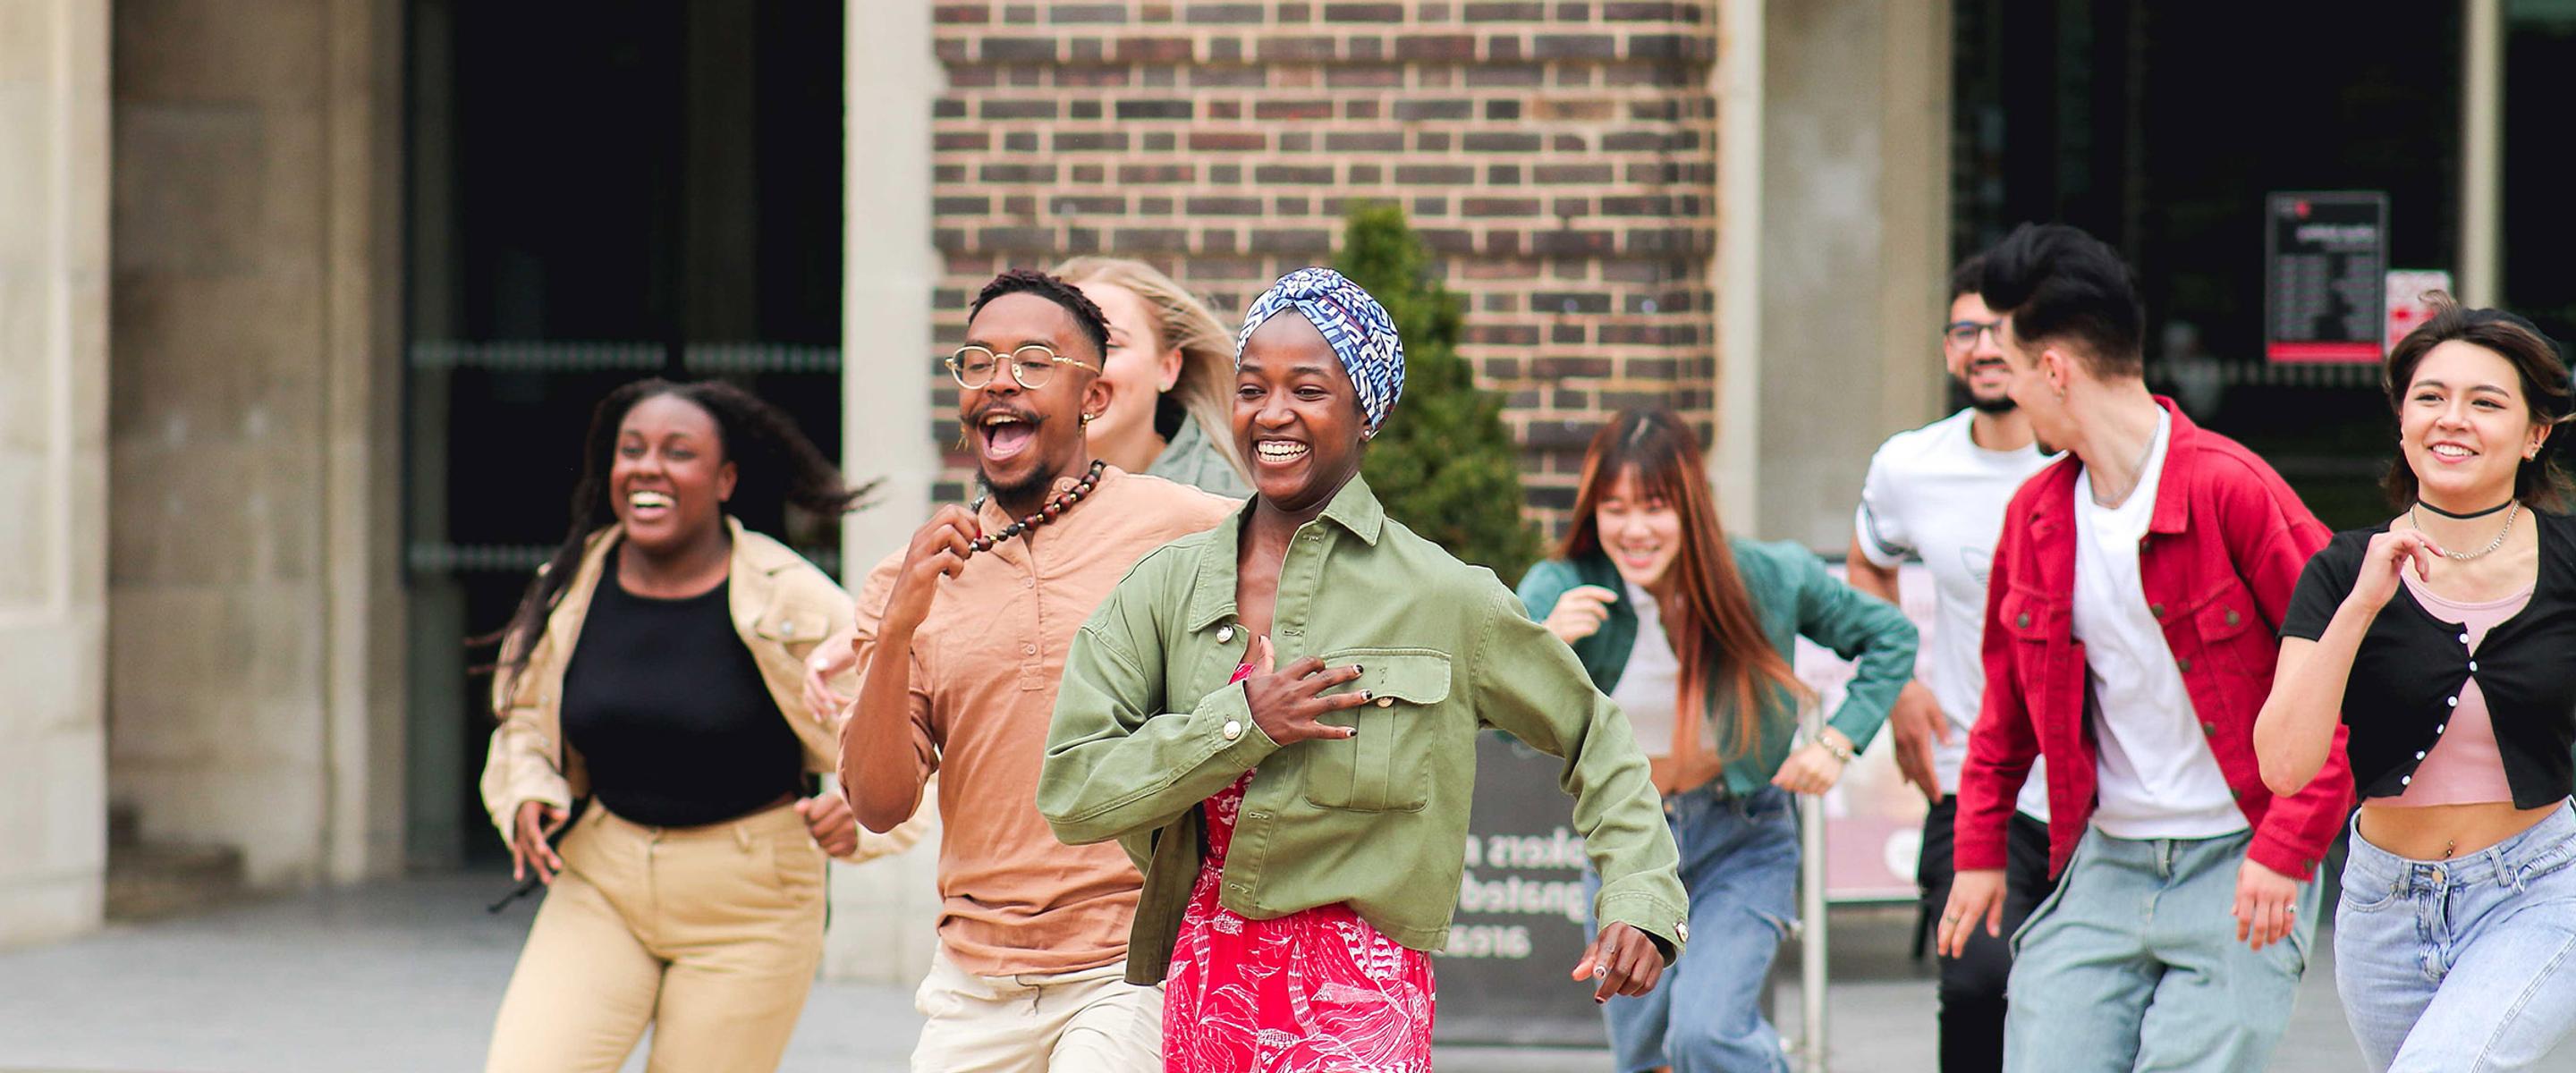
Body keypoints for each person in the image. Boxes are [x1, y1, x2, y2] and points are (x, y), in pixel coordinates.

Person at [1039, 267, 1690, 1072]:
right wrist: (1242, 722)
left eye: (1307, 389)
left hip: (1363, 1004)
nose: (1272, 413)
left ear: (1365, 412)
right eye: (1252, 388)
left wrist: (1641, 896)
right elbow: (1071, 790)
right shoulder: (1164, 588)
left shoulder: (1447, 599)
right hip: (1206, 988)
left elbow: (1596, 733)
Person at [1936, 224, 2351, 1073]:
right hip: (2104, 862)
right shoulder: (2036, 518)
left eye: (2012, 373)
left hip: (2239, 859)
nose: (2010, 396)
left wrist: (2288, 849)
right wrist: (1978, 855)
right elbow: (2003, 716)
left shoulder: (2232, 489)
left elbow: (2345, 681)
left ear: (2054, 371)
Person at [839, 268, 1239, 1072]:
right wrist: (897, 631)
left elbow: (1337, 578)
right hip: (973, 984)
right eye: (978, 362)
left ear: (1093, 398)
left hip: (1132, 965)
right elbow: (879, 805)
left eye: (1031, 361)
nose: (1000, 382)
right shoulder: (903, 582)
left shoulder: (1190, 526)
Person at [479, 379, 894, 1073]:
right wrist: (527, 787)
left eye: (679, 452)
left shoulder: (790, 596)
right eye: (631, 450)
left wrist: (862, 811)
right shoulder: (570, 585)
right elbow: (522, 716)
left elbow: (894, 723)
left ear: (725, 479)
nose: (648, 467)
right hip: (601, 884)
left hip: (752, 906)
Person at [1520, 409, 1919, 1073]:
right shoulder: (1560, 588)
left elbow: (1890, 635)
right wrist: (1545, 646)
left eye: (1655, 506)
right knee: (1647, 1053)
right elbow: (1491, 707)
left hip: (1742, 834)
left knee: (1707, 1035)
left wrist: (1839, 743)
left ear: (1691, 507)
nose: (1635, 530)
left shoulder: (1762, 576)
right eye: (1615, 509)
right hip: (1630, 843)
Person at [2254, 298, 2576, 1071]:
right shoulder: (2342, 569)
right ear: (2402, 423)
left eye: (2486, 402)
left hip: (2538, 889)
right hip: (2383, 907)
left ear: (2535, 434)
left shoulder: (2569, 559)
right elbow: (2285, 766)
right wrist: (2365, 603)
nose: (2452, 419)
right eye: (2430, 398)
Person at [1845, 254, 2061, 1072]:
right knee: (1977, 982)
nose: (1984, 347)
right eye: (1966, 330)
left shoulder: (2082, 459)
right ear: (1947, 350)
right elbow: (1870, 562)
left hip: (2101, 787)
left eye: (2002, 330)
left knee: (2072, 997)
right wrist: (1899, 680)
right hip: (1977, 775)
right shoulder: (1911, 465)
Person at [1055, 256, 1252, 496]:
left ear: (1168, 368)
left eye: (1111, 345)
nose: (1079, 365)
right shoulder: (1003, 487)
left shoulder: (1222, 503)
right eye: (1056, 349)